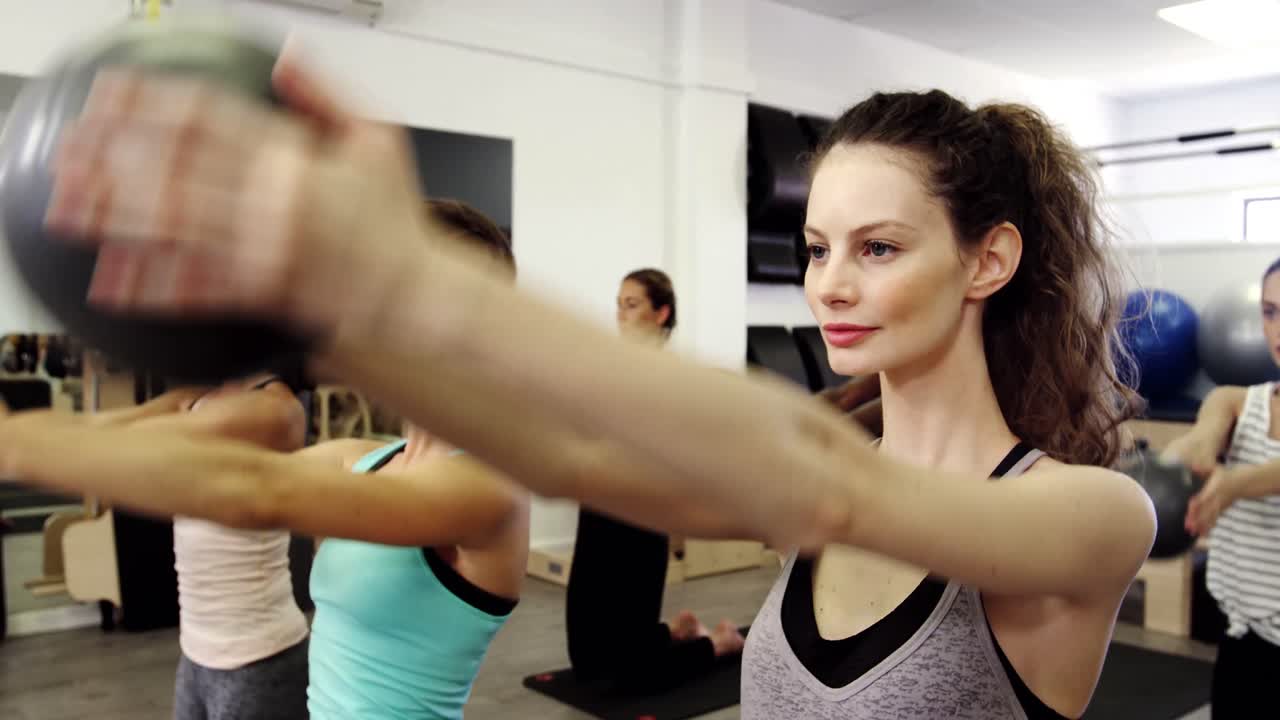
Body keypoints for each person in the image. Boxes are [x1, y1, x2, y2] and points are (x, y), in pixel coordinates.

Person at [23, 52, 1158, 718]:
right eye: (814, 248)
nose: (828, 285)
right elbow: (563, 454)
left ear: (986, 261)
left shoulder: (1087, 516)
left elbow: (827, 490)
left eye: (876, 248)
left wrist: (419, 283)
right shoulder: (815, 478)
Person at [0, 199, 530, 720]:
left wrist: (19, 445)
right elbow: (198, 468)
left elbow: (255, 490)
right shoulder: (366, 459)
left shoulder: (487, 488)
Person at [88, 370, 312, 720]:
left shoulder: (273, 406)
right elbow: (100, 429)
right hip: (195, 654)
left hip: (259, 659)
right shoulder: (196, 396)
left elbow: (115, 443)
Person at [566, 268, 744, 694]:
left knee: (628, 674)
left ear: (661, 313)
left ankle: (717, 642)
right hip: (597, 511)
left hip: (642, 519)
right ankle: (675, 632)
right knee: (587, 662)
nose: (620, 315)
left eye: (632, 305)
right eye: (618, 305)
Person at [1162, 257, 1280, 720]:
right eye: (1270, 312)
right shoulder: (1234, 400)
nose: (1278, 329)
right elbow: (1203, 436)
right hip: (1243, 645)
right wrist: (1187, 459)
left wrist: (1235, 484)